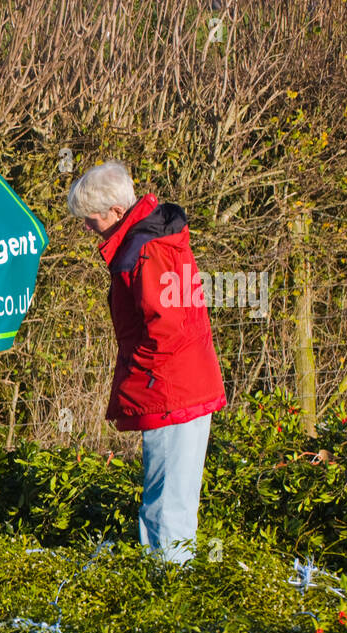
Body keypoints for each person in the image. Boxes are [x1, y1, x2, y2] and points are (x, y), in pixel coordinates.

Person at [67, 160, 227, 564]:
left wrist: (142, 377)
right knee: (174, 493)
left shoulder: (147, 251)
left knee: (167, 500)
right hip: (181, 383)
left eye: (92, 219)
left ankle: (166, 590)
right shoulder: (150, 241)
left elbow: (166, 326)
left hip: (171, 389)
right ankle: (169, 578)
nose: (88, 227)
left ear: (118, 212)